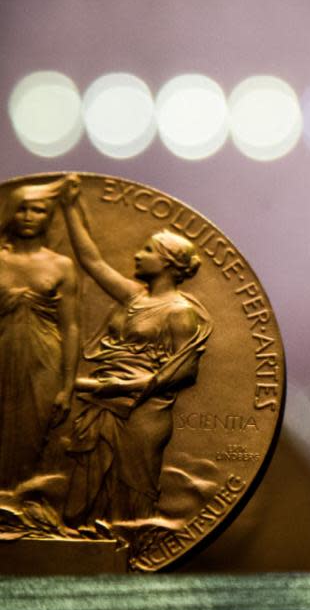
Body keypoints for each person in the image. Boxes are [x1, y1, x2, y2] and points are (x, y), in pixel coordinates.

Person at [57, 176, 212, 526]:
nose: (137, 255)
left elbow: (185, 372)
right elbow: (91, 262)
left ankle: (128, 554)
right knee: (89, 480)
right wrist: (69, 209)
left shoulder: (179, 312)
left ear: (168, 263)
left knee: (133, 489)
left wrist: (123, 387)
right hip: (104, 405)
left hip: (143, 415)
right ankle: (87, 544)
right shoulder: (133, 297)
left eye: (147, 251)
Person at [0, 177, 79, 490]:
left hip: (45, 361)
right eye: (22, 210)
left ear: (49, 217)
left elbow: (71, 326)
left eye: (38, 210)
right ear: (11, 213)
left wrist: (68, 385)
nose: (29, 216)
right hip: (3, 354)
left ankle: (21, 505)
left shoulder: (61, 265)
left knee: (34, 437)